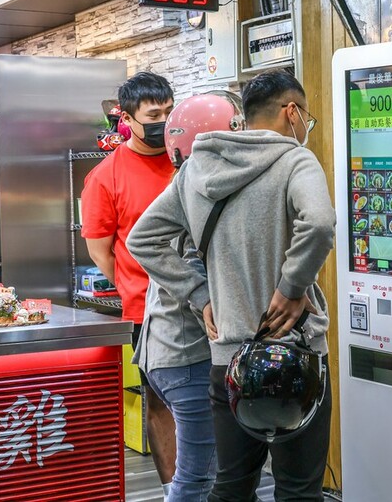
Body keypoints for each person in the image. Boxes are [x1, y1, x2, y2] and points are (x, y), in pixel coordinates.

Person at [126, 69, 336, 502]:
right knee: (299, 489)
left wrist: (199, 296)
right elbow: (318, 223)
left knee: (232, 486)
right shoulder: (296, 160)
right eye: (306, 118)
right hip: (297, 354)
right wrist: (292, 287)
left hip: (229, 359)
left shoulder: (195, 169)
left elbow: (141, 240)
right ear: (291, 112)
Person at [131, 93, 242, 501]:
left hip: (170, 351)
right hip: (186, 354)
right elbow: (142, 241)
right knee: (198, 478)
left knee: (210, 476)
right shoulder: (198, 185)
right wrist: (203, 294)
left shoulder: (191, 182)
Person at [80, 71, 178, 493]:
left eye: (169, 112)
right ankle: (175, 490)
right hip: (148, 311)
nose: (164, 121)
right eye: (154, 114)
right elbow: (101, 252)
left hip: (208, 305)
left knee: (211, 403)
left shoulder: (187, 158)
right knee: (161, 403)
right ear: (127, 119)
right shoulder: (106, 176)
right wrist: (133, 288)